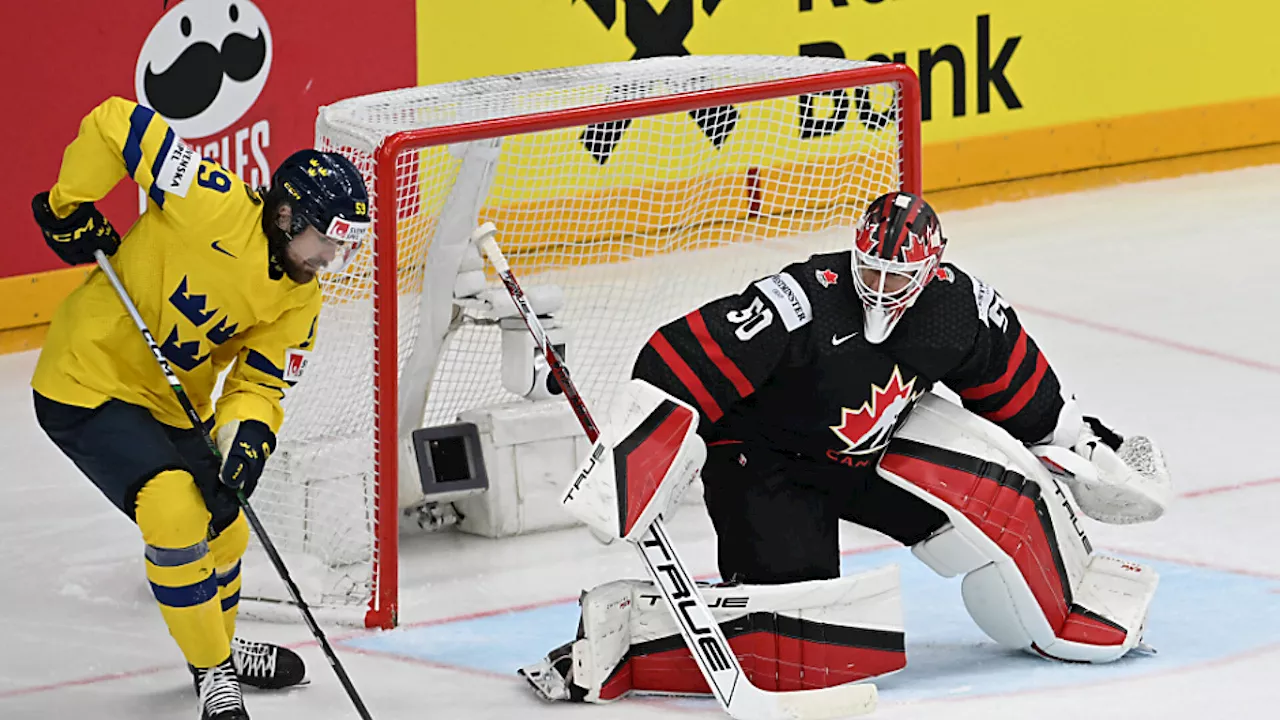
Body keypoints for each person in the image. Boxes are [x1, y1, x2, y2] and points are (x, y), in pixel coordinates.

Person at [521, 191, 1171, 705]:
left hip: (868, 453)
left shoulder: (957, 309)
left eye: (900, 276)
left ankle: (1071, 600)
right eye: (872, 269)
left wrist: (1082, 441)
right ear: (855, 254)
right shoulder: (802, 302)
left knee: (1006, 504)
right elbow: (677, 353)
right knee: (806, 653)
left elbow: (1020, 388)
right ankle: (625, 637)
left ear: (930, 271)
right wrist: (646, 444)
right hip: (765, 460)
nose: (882, 287)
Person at [29, 97, 371, 720]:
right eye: (325, 243)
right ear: (287, 214)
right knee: (174, 512)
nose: (330, 262)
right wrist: (65, 204)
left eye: (341, 250)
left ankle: (214, 645)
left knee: (227, 521)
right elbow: (117, 122)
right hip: (86, 384)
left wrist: (247, 440)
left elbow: (260, 388)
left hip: (169, 402)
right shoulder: (207, 198)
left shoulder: (299, 303)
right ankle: (213, 670)